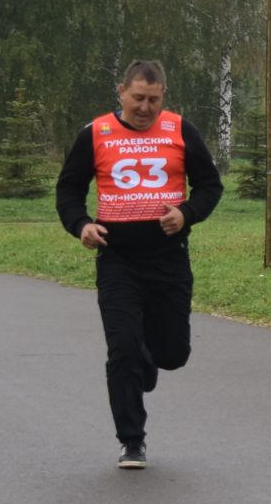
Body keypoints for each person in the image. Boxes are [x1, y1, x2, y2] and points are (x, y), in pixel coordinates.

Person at [55, 60, 223, 468]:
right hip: (118, 260)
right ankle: (132, 440)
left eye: (153, 99)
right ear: (121, 92)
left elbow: (210, 185)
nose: (145, 107)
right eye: (137, 98)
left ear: (163, 96)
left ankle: (147, 359)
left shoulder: (180, 130)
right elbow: (69, 189)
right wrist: (81, 225)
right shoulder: (95, 133)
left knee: (171, 354)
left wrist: (186, 213)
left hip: (168, 260)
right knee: (123, 348)